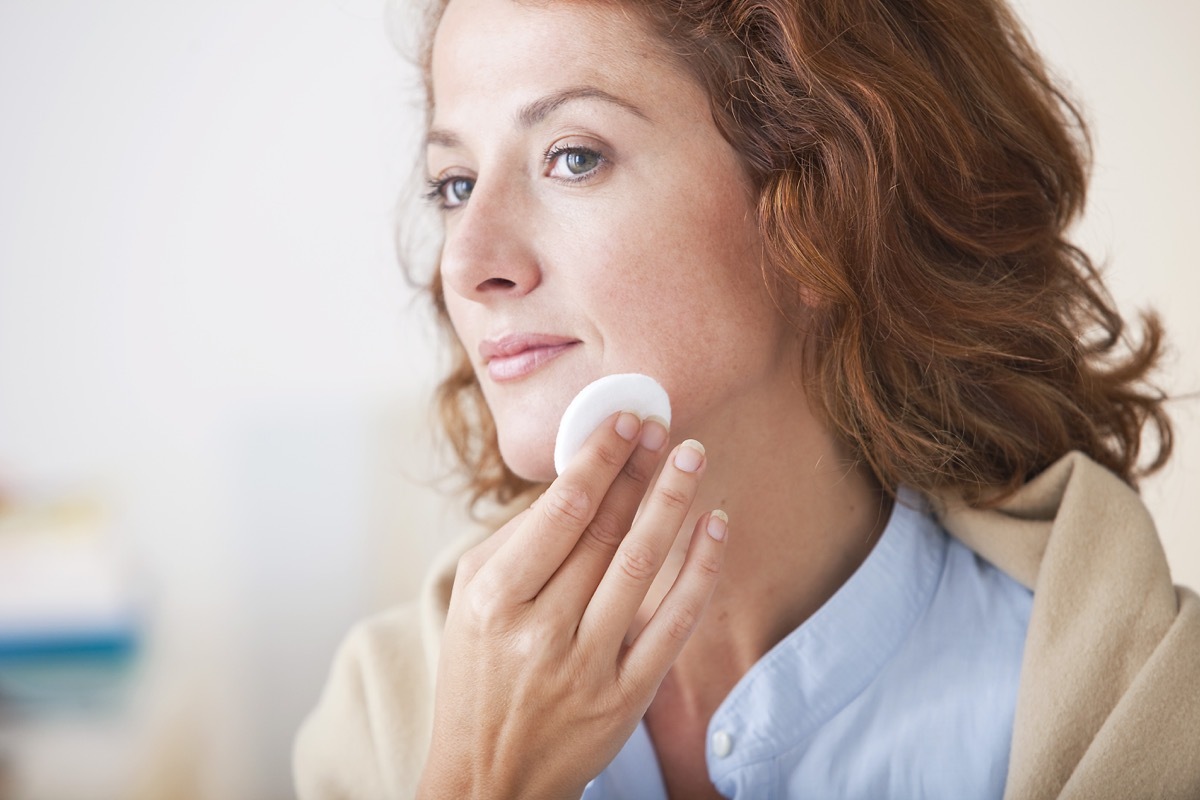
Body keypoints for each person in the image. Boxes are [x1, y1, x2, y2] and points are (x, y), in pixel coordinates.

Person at [294, 0, 1200, 797]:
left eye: (573, 157)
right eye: (455, 184)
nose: (468, 260)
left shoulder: (1130, 714)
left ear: (826, 205)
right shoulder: (383, 721)